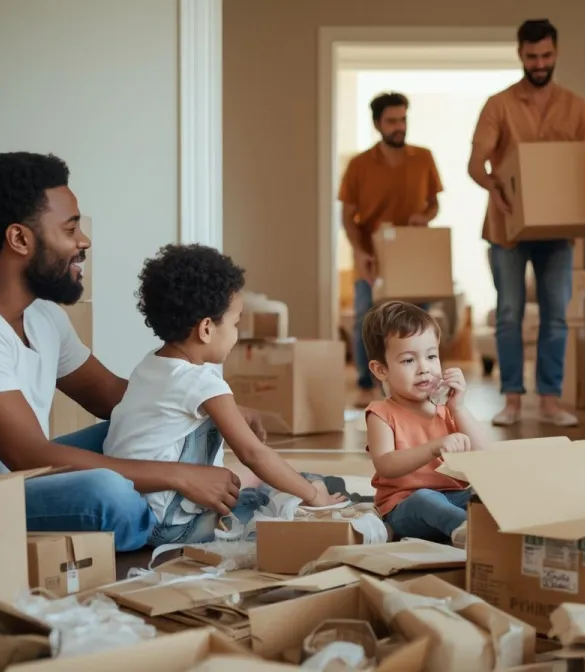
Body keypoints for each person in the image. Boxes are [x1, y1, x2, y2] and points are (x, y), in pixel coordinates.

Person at [0, 152, 269, 551]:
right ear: (19, 238)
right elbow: (28, 455)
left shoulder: (41, 316)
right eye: (70, 230)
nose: (84, 240)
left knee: (150, 426)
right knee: (108, 494)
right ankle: (185, 522)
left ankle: (199, 504)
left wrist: (221, 411)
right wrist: (180, 475)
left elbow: (120, 401)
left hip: (2, 482)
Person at [106, 244, 346, 545]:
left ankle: (303, 484)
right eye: (235, 323)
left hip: (137, 511)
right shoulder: (203, 380)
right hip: (170, 525)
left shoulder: (151, 364)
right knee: (268, 503)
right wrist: (313, 497)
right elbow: (253, 454)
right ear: (206, 328)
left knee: (261, 480)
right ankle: (314, 489)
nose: (238, 334)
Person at [468, 19, 585, 428]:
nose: (539, 63)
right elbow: (476, 164)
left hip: (558, 232)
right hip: (507, 228)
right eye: (531, 57)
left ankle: (548, 400)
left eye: (546, 55)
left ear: (556, 53)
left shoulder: (576, 106)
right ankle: (511, 400)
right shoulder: (499, 104)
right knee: (509, 313)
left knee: (556, 315)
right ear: (520, 55)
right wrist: (495, 187)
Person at [339, 92, 443, 405]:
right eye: (392, 121)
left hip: (411, 257)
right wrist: (360, 252)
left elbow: (434, 203)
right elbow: (347, 216)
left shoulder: (423, 158)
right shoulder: (359, 164)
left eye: (403, 119)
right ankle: (366, 385)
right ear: (377, 124)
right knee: (366, 320)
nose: (399, 126)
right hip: (372, 256)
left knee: (417, 323)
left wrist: (424, 217)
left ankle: (417, 387)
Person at [362, 301, 492, 547]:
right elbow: (387, 464)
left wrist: (459, 407)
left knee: (487, 492)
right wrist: (433, 447)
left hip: (454, 497)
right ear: (381, 370)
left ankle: (480, 526)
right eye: (409, 360)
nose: (424, 368)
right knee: (426, 499)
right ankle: (473, 533)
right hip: (406, 505)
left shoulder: (447, 410)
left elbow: (485, 455)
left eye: (432, 356)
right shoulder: (381, 414)